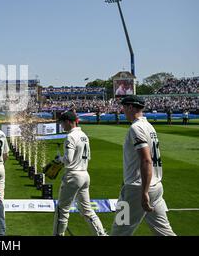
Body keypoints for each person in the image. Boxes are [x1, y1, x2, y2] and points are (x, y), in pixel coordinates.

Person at [110, 95, 175, 236]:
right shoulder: (149, 126)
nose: (122, 111)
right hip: (155, 187)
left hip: (137, 189)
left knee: (119, 230)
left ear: (131, 107)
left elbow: (146, 160)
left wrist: (144, 192)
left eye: (124, 107)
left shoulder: (136, 127)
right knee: (164, 231)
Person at [53, 111, 107, 236]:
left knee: (62, 210)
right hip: (84, 174)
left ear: (68, 122)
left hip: (73, 176)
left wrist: (58, 159)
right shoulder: (83, 135)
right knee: (87, 210)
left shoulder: (70, 136)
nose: (61, 126)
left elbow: (68, 160)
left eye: (62, 123)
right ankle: (101, 234)